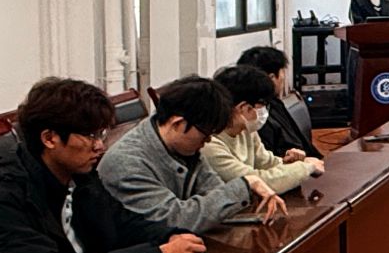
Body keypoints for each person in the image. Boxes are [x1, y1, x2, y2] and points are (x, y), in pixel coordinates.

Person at [0, 77, 206, 253]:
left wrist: (169, 236)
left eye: (101, 134)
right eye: (90, 136)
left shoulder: (81, 175)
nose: (100, 146)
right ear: (49, 138)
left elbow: (122, 222)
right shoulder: (3, 196)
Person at [99, 76, 288, 234]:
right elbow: (176, 219)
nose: (208, 141)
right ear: (178, 123)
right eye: (205, 135)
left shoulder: (186, 147)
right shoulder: (126, 163)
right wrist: (245, 185)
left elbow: (213, 191)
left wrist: (242, 193)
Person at [205, 65, 322, 195]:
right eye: (262, 105)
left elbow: (266, 162)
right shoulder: (209, 144)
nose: (265, 111)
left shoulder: (246, 130)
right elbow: (256, 181)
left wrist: (289, 163)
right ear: (244, 108)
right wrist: (305, 168)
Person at [237, 45, 324, 161]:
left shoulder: (274, 104)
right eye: (283, 72)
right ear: (272, 77)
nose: (284, 78)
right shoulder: (256, 118)